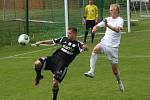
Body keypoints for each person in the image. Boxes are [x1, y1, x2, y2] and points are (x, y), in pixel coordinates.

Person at [33, 27, 88, 100]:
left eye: (70, 33)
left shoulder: (78, 44)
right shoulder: (64, 39)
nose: (68, 35)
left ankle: (54, 98)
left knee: (55, 83)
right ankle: (39, 76)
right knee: (37, 63)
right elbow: (52, 41)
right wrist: (41, 42)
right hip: (53, 59)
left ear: (74, 34)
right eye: (68, 33)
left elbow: (85, 46)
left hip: (62, 65)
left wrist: (84, 47)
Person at [84, 4, 124, 92]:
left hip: (113, 48)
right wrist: (95, 28)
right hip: (104, 43)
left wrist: (107, 25)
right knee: (95, 49)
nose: (110, 11)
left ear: (117, 11)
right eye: (110, 10)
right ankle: (91, 71)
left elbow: (117, 30)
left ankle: (119, 81)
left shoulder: (120, 20)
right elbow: (98, 25)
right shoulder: (108, 19)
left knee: (115, 71)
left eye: (112, 10)